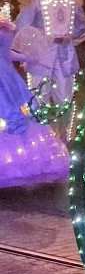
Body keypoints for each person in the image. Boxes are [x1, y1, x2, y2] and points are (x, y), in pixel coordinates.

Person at [0, 18, 69, 188]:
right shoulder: (5, 26)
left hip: (8, 78)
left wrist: (26, 57)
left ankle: (15, 163)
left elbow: (5, 52)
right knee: (15, 113)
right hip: (7, 78)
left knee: (20, 112)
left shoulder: (5, 25)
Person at [14, 0, 85, 107]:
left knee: (65, 97)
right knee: (39, 96)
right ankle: (41, 129)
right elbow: (22, 28)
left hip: (65, 54)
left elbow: (82, 27)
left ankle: (63, 129)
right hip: (41, 55)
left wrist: (70, 35)